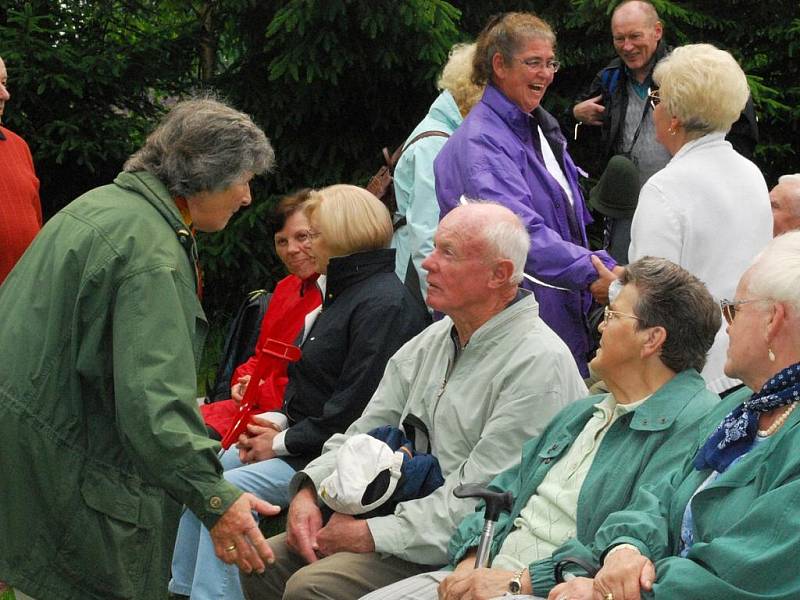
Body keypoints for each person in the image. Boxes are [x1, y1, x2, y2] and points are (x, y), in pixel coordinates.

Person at [0, 98, 279, 600]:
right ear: (207, 175)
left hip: (36, 462)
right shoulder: (150, 254)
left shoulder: (101, 206)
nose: (247, 197)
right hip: (71, 479)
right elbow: (155, 404)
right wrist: (216, 498)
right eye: (244, 179)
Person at [240, 202, 589, 600]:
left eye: (448, 253)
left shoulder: (538, 363)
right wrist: (310, 490)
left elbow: (483, 500)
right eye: (434, 248)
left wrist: (372, 533)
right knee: (262, 559)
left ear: (500, 275)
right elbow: (364, 431)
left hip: (471, 547)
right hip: (397, 514)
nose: (427, 263)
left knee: (313, 586)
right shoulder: (434, 340)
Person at [363, 257, 721, 600]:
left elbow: (632, 537)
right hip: (489, 572)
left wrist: (518, 582)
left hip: (553, 589)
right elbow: (502, 491)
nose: (599, 325)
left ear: (651, 339)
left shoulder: (695, 422)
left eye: (612, 315)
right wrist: (471, 563)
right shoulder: (585, 411)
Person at [169, 184, 429, 600]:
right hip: (305, 439)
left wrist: (280, 441)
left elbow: (358, 411)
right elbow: (313, 386)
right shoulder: (344, 293)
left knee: (225, 495)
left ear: (344, 235)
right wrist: (276, 423)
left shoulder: (382, 305)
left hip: (331, 456)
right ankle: (184, 592)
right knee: (208, 477)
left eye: (315, 234)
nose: (304, 247)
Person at [552, 232, 800, 600]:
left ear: (772, 321)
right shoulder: (741, 408)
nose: (727, 326)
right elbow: (657, 496)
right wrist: (626, 549)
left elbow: (743, 573)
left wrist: (616, 591)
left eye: (735, 309)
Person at [434, 12, 620, 378]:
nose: (546, 74)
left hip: (550, 323)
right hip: (508, 337)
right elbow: (517, 236)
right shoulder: (482, 143)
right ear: (499, 64)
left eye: (551, 63)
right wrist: (597, 271)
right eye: (533, 63)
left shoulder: (535, 127)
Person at [620, 43, 772, 394]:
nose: (652, 107)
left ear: (673, 117)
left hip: (688, 378)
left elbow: (648, 300)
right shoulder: (751, 174)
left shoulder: (664, 188)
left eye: (656, 99)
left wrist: (613, 286)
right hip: (746, 363)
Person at [572, 0, 759, 185]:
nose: (627, 47)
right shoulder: (609, 79)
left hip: (685, 191)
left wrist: (723, 178)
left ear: (657, 31)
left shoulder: (685, 74)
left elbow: (741, 126)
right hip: (626, 203)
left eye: (635, 36)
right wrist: (576, 114)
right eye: (619, 38)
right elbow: (575, 134)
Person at [200, 190, 322, 439]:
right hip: (251, 403)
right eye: (282, 241)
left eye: (303, 237)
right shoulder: (286, 287)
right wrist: (242, 381)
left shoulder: (333, 296)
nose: (292, 250)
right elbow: (262, 355)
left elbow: (314, 385)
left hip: (283, 418)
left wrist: (258, 390)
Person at [391, 42, 484, 307]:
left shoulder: (448, 131)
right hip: (417, 284)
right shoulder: (436, 145)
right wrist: (439, 310)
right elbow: (427, 233)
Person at [0, 54, 42, 285]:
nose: (5, 95)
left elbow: (35, 222)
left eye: (4, 83)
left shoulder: (18, 147)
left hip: (19, 307)